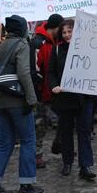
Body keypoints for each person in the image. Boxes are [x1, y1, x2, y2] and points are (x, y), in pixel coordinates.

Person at [0, 15, 44, 193]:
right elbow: (24, 73)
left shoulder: (1, 45)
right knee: (28, 141)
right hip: (17, 101)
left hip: (0, 101)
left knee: (5, 144)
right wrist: (32, 99)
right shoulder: (21, 45)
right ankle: (26, 186)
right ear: (23, 29)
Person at [48, 19, 96, 179]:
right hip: (65, 97)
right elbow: (51, 72)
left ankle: (85, 165)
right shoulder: (57, 50)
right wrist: (54, 86)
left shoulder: (86, 48)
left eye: (70, 31)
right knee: (66, 131)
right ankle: (67, 162)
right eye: (64, 32)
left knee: (84, 131)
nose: (67, 35)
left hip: (84, 97)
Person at [33, 13, 64, 167]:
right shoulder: (38, 43)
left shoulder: (58, 42)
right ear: (56, 27)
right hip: (41, 92)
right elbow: (35, 70)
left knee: (62, 120)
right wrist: (44, 86)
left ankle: (59, 145)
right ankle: (36, 155)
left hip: (55, 91)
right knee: (40, 125)